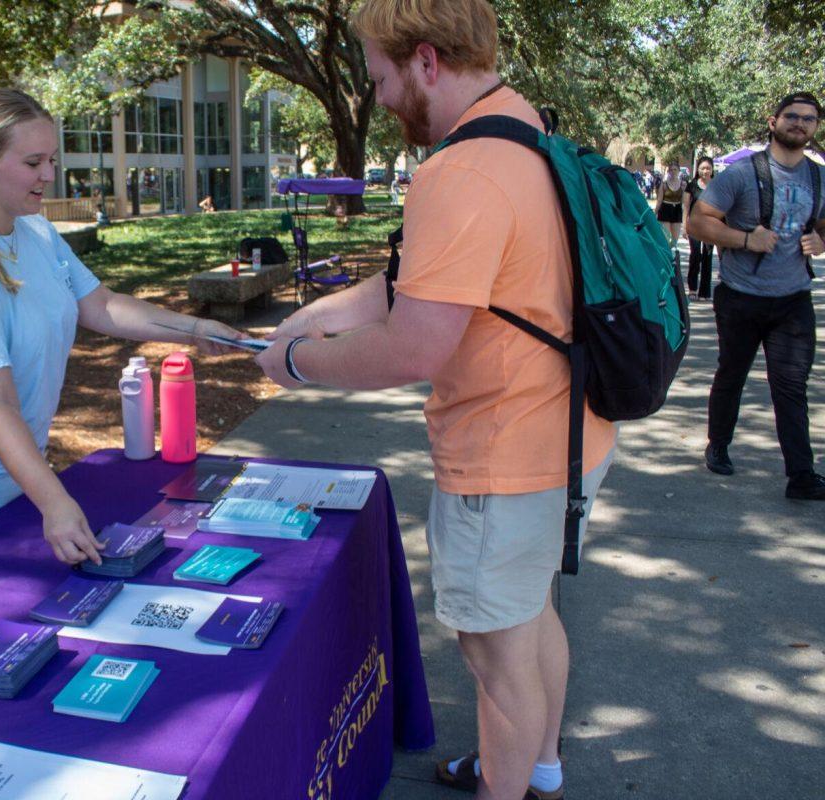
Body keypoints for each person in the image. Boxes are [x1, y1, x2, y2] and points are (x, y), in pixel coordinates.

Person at [254, 3, 614, 798]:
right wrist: (311, 320)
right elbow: (417, 283)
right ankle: (535, 767)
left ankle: (504, 786)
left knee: (494, 656)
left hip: (505, 453)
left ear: (423, 60)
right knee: (531, 616)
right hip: (569, 433)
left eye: (380, 77)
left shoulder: (460, 171)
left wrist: (301, 365)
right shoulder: (527, 132)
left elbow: (416, 345)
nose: (379, 99)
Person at [0, 88, 242, 563]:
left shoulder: (34, 228)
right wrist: (55, 501)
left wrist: (196, 330)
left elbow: (100, 305)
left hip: (14, 453)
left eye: (52, 159)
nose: (50, 176)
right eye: (34, 162)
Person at [687, 91, 825, 500]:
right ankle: (718, 444)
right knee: (732, 374)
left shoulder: (818, 176)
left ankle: (801, 475)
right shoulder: (742, 175)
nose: (800, 123)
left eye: (810, 119)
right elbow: (698, 222)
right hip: (741, 296)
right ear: (773, 121)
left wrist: (820, 238)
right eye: (792, 116)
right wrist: (746, 239)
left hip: (792, 299)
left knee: (791, 386)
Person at [683, 156, 716, 300]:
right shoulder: (692, 185)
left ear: (712, 169)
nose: (705, 171)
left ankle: (705, 292)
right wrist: (685, 226)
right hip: (695, 226)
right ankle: (692, 288)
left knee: (707, 257)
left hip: (711, 227)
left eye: (708, 168)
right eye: (702, 168)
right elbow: (685, 207)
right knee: (695, 256)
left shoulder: (716, 185)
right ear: (698, 169)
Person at [654, 162, 686, 247]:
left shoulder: (683, 184)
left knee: (674, 240)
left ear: (679, 171)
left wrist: (683, 191)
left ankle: (669, 252)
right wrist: (654, 213)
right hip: (665, 209)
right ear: (668, 172)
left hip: (677, 210)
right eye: (671, 170)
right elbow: (659, 200)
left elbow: (683, 201)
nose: (673, 171)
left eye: (675, 169)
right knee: (666, 238)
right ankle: (667, 257)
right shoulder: (664, 184)